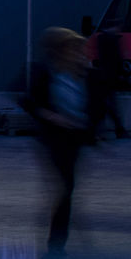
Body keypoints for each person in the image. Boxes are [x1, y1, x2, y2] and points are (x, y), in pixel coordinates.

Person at [26, 26, 94, 246]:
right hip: (54, 139)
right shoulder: (45, 72)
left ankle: (61, 234)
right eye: (72, 49)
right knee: (65, 188)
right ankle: (57, 241)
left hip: (74, 139)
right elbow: (28, 100)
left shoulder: (82, 73)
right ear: (59, 50)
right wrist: (52, 116)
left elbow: (97, 102)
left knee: (68, 188)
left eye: (79, 49)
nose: (78, 53)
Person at [87, 21, 130, 137]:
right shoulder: (113, 39)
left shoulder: (99, 38)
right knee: (109, 104)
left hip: (101, 76)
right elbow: (118, 59)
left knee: (104, 104)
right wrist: (125, 75)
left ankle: (100, 130)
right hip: (110, 77)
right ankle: (117, 129)